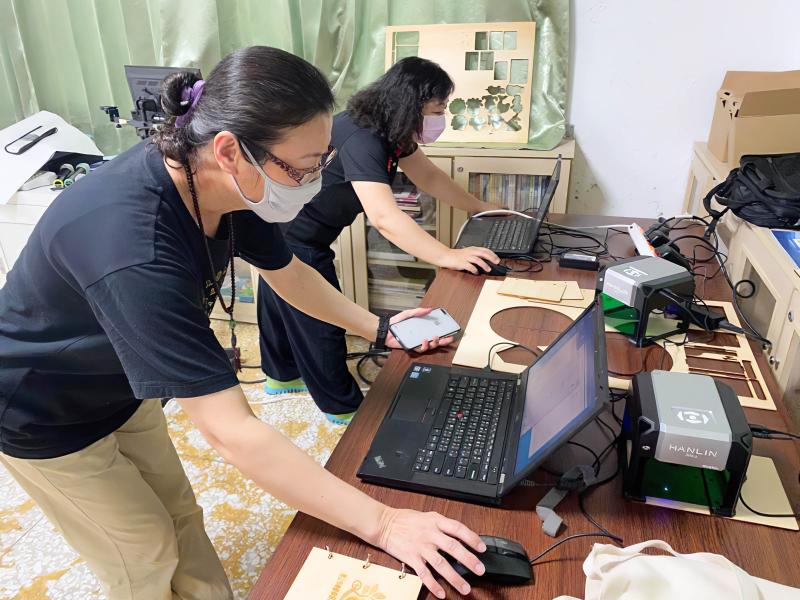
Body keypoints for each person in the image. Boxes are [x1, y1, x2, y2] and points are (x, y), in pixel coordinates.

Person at [0, 47, 487, 600]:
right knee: (141, 551)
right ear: (231, 150)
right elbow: (231, 432)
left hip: (118, 385)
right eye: (303, 167)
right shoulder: (135, 247)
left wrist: (379, 328)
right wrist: (385, 524)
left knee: (179, 513)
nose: (313, 180)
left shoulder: (219, 184)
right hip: (41, 408)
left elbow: (290, 274)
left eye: (321, 161)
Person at [258, 57, 500, 423]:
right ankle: (342, 408)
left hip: (295, 230)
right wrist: (447, 255)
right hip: (296, 235)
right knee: (321, 323)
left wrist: (479, 207)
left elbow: (429, 177)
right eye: (437, 110)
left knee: (282, 305)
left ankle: (281, 376)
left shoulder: (391, 131)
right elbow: (385, 218)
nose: (442, 118)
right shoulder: (363, 138)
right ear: (411, 104)